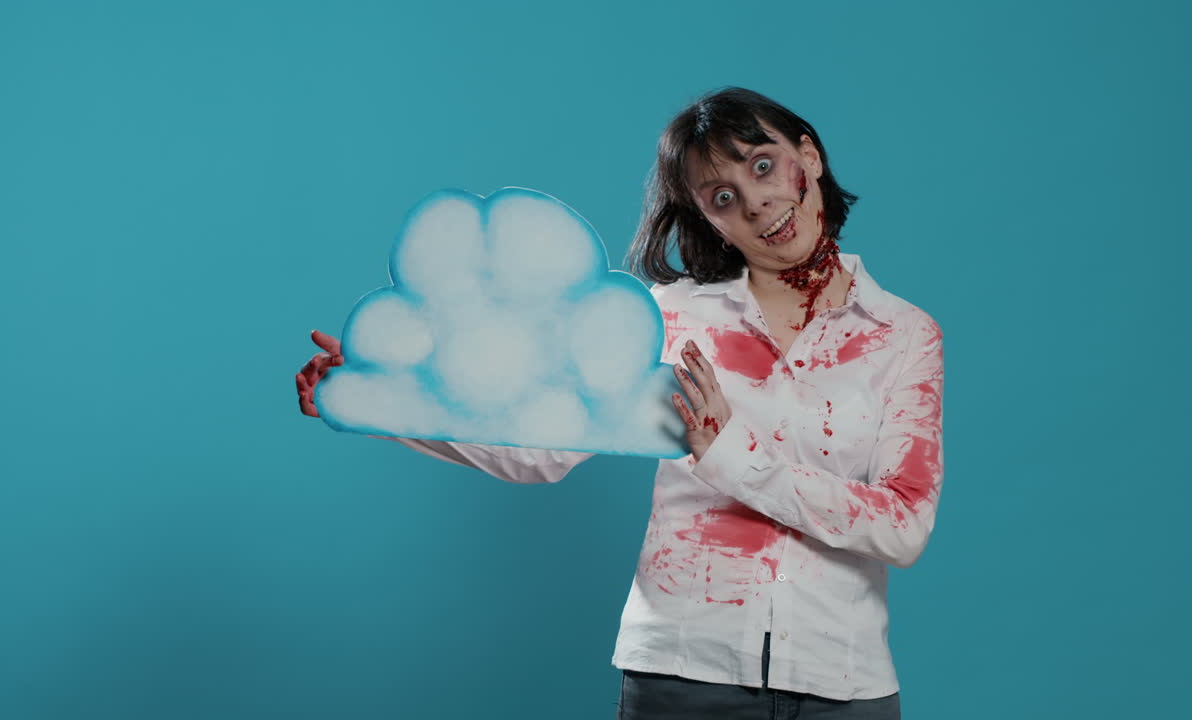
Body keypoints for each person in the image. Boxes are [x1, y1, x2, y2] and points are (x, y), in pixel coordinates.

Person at [295, 87, 942, 720]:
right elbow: (540, 451)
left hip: (845, 683)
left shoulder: (904, 336)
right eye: (722, 197)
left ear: (810, 155)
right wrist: (384, 399)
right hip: (684, 675)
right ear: (708, 219)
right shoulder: (672, 317)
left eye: (763, 165)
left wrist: (731, 457)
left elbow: (903, 526)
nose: (756, 202)